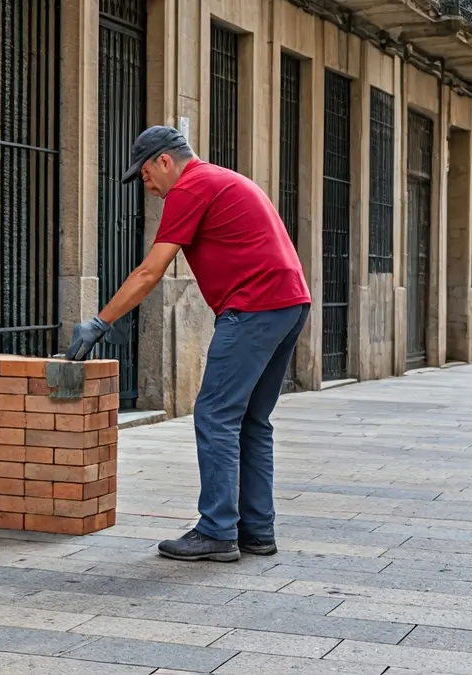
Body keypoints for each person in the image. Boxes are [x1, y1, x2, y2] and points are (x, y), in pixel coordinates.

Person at [66, 125, 311, 562]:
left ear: (164, 160)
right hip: (289, 303)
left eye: (145, 176)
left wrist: (99, 322)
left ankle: (217, 531)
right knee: (252, 419)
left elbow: (149, 272)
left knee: (215, 414)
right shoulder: (221, 179)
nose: (149, 187)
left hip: (253, 307)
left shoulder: (191, 186)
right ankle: (257, 530)